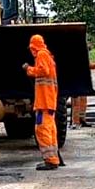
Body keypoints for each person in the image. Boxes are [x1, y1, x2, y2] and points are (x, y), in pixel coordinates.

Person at [22, 34, 60, 171]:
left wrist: (29, 69)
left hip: (44, 102)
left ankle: (50, 160)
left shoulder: (42, 55)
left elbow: (44, 71)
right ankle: (54, 157)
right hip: (48, 101)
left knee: (41, 130)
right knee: (50, 129)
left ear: (33, 47)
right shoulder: (48, 55)